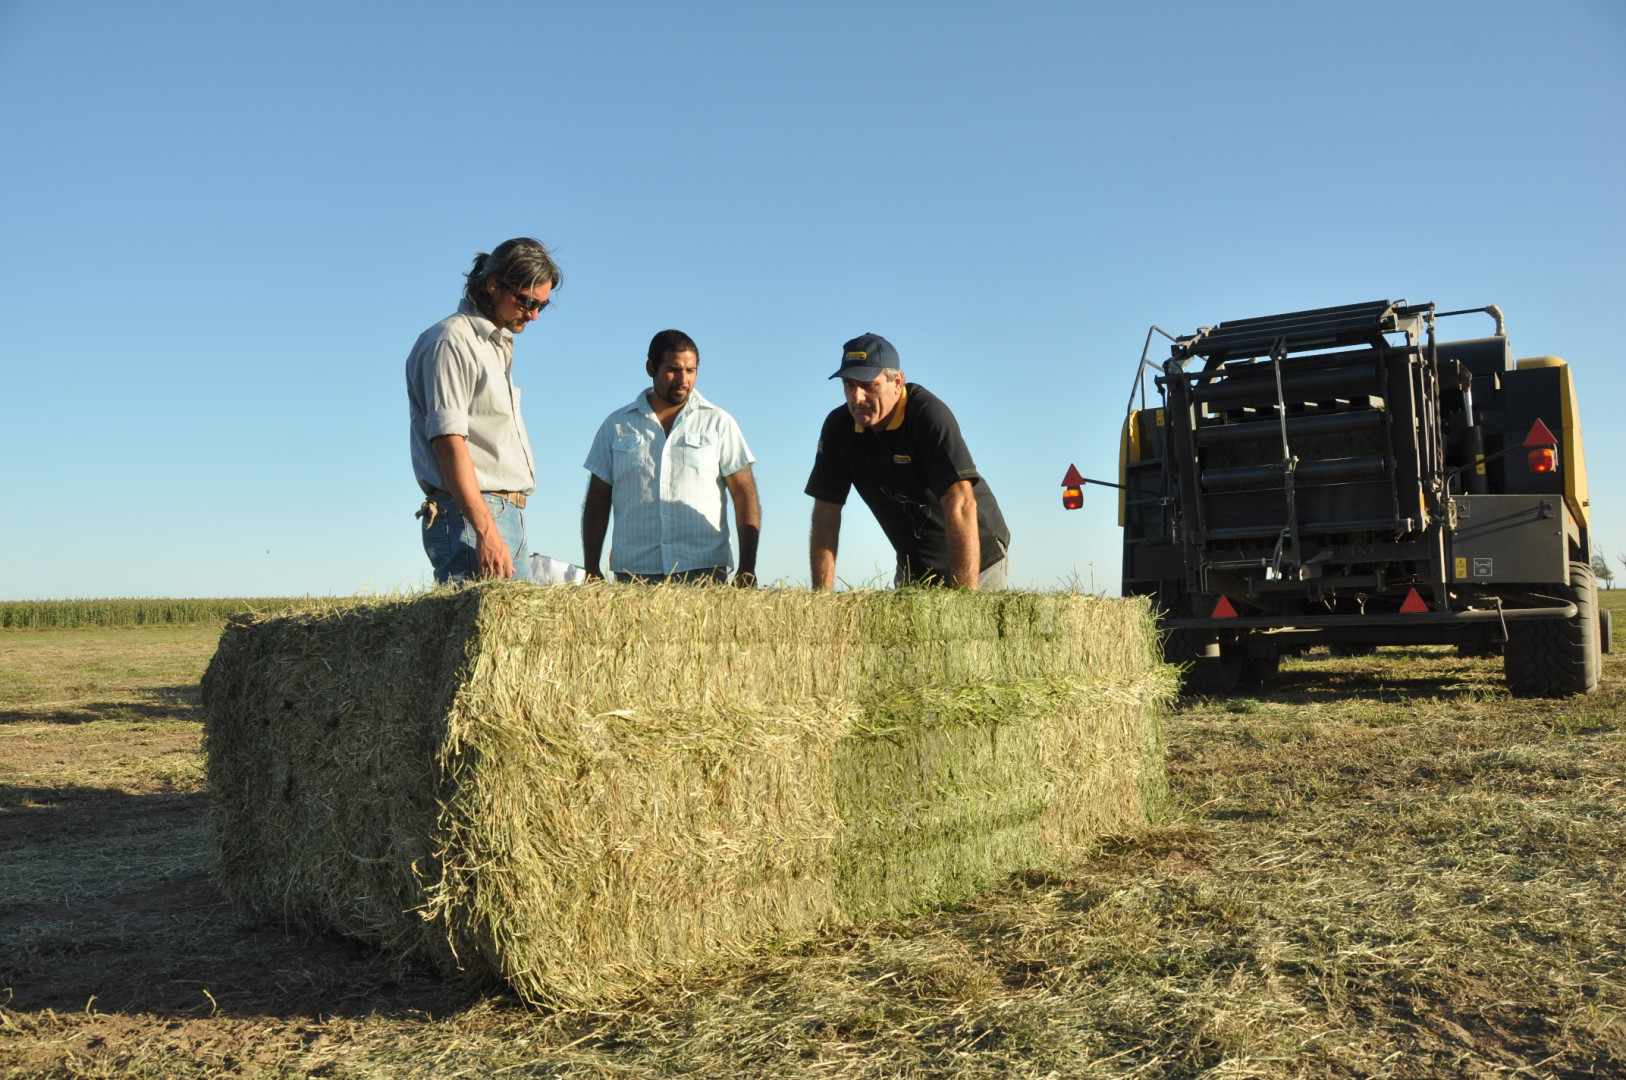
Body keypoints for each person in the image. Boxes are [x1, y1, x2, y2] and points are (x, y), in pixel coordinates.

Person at [406, 238, 562, 584]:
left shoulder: (495, 344)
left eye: (542, 305)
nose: (534, 315)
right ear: (492, 284)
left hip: (499, 513)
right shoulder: (451, 341)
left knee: (510, 637)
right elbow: (448, 442)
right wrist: (486, 530)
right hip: (472, 516)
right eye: (526, 301)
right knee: (476, 635)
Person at [805, 333, 1010, 589]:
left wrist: (965, 599)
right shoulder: (838, 429)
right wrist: (821, 599)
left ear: (897, 382)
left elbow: (961, 501)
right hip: (914, 566)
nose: (857, 397)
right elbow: (826, 511)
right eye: (849, 384)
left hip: (979, 556)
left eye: (869, 385)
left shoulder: (927, 416)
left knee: (969, 628)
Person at [581, 329, 760, 585]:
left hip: (704, 573)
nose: (683, 379)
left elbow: (745, 494)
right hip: (634, 575)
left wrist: (747, 567)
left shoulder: (720, 423)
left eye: (691, 370)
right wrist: (591, 567)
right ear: (650, 367)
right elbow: (597, 498)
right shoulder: (616, 426)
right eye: (673, 370)